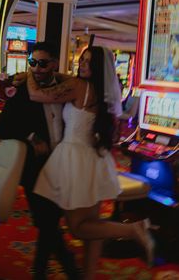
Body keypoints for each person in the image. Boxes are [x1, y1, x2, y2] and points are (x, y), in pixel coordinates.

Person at [27, 46, 155, 280]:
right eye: (81, 59)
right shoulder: (101, 91)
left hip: (73, 158)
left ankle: (132, 229)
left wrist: (27, 74)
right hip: (94, 159)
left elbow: (37, 94)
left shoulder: (79, 87)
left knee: (78, 227)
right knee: (92, 224)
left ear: (97, 67)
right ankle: (88, 275)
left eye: (87, 61)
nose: (82, 64)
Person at [0, 41, 79, 280]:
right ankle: (68, 269)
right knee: (48, 222)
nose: (37, 69)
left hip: (63, 163)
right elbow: (1, 129)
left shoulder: (66, 88)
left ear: (54, 64)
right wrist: (31, 136)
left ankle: (42, 271)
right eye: (33, 63)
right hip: (35, 167)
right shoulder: (21, 91)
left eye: (43, 63)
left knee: (49, 222)